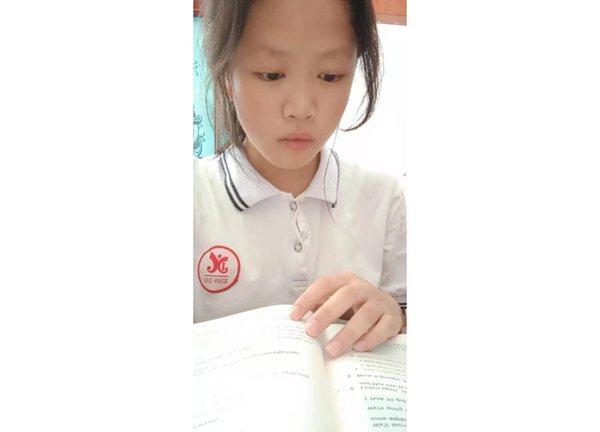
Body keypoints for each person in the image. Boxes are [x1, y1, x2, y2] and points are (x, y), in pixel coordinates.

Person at [194, 0, 406, 359]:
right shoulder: (194, 195)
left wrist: (394, 317)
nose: (301, 108)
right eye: (272, 75)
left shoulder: (383, 199)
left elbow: (404, 318)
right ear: (227, 74)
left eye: (330, 76)